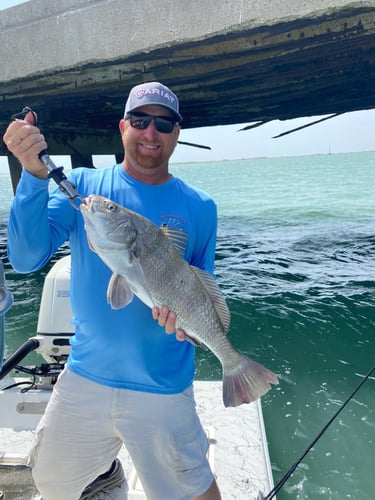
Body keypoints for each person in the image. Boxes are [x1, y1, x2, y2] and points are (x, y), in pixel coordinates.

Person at [3, 82, 221, 500]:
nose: (150, 133)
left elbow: (198, 285)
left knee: (192, 492)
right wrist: (32, 176)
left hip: (162, 382)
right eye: (140, 120)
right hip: (86, 373)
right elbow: (26, 258)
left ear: (177, 132)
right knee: (49, 480)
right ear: (123, 127)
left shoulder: (201, 207)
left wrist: (185, 325)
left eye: (163, 123)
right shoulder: (85, 186)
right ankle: (105, 475)